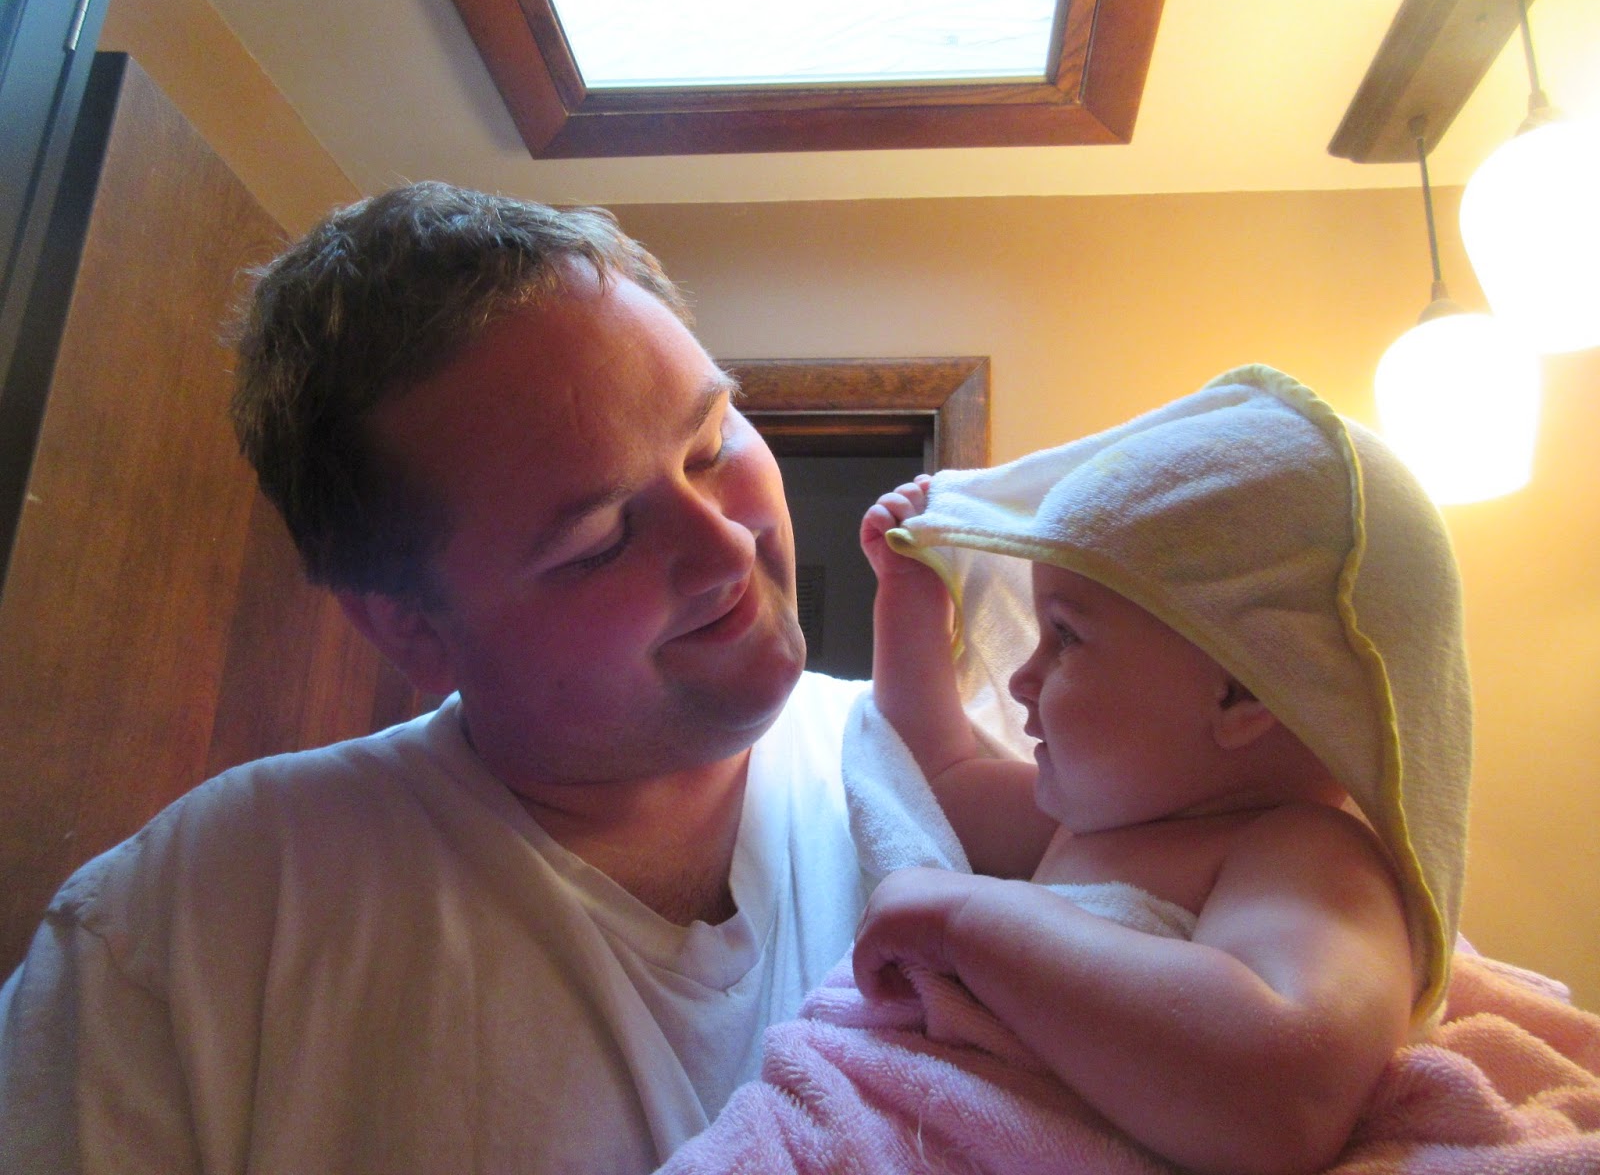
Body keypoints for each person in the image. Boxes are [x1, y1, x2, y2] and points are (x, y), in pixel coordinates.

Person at [0, 182, 918, 1172]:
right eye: (598, 542)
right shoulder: (184, 932)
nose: (727, 547)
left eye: (711, 442)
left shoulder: (965, 775)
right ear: (409, 626)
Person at [659, 366, 1475, 1175]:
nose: (1022, 677)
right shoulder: (1084, 827)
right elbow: (934, 773)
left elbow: (1286, 1090)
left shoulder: (1310, 856)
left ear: (1239, 691)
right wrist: (910, 600)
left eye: (1067, 637)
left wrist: (967, 925)